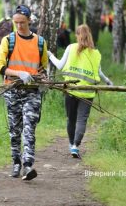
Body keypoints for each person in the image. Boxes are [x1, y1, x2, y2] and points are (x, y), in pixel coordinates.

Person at [0, 5, 48, 181]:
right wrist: (19, 73)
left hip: (32, 92)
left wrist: (43, 80)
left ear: (30, 21)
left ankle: (28, 165)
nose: (18, 26)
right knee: (15, 130)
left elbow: (42, 68)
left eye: (22, 22)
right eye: (16, 22)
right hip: (13, 91)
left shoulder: (40, 42)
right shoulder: (7, 40)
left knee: (29, 127)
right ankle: (16, 162)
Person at [48, 24, 113, 158]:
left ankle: (72, 144)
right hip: (88, 92)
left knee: (71, 119)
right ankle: (76, 146)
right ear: (89, 35)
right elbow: (98, 71)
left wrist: (49, 55)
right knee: (82, 120)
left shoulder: (71, 47)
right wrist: (107, 80)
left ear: (78, 35)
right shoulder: (95, 53)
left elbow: (60, 65)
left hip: (71, 90)